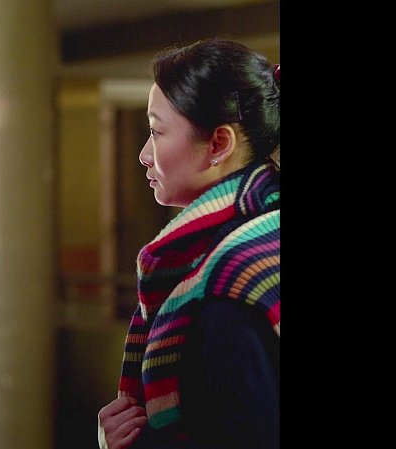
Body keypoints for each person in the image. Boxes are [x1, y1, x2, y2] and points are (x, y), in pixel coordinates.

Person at [96, 38, 280, 449]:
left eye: (156, 131)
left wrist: (132, 443)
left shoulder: (229, 282)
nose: (144, 155)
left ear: (218, 144)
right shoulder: (262, 235)